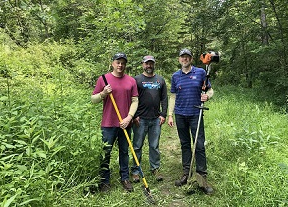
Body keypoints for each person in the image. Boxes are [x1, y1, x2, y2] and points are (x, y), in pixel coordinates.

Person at [167, 48, 214, 195]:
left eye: (187, 57)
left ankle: (202, 177)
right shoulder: (175, 76)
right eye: (182, 57)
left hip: (196, 114)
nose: (184, 59)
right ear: (179, 59)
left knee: (199, 144)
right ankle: (186, 174)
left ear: (191, 59)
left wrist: (207, 96)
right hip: (180, 115)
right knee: (185, 144)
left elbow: (210, 90)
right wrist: (170, 114)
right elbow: (173, 96)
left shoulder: (201, 73)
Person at [91, 52, 139, 193]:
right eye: (118, 62)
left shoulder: (131, 81)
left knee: (124, 152)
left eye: (123, 62)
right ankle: (104, 181)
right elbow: (93, 99)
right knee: (105, 152)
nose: (120, 65)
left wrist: (129, 117)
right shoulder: (104, 79)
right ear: (112, 63)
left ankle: (125, 178)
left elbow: (135, 101)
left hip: (125, 123)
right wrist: (103, 93)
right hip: (108, 123)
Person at [131, 55, 168, 183]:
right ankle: (135, 171)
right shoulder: (136, 80)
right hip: (140, 120)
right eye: (147, 63)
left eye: (151, 63)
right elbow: (132, 99)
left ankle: (155, 168)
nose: (149, 66)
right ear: (143, 64)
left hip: (155, 119)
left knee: (154, 145)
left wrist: (163, 114)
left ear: (154, 64)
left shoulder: (160, 80)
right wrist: (134, 116)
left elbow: (164, 98)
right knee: (137, 146)